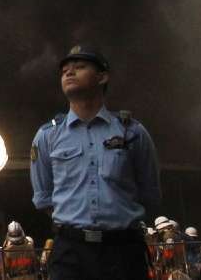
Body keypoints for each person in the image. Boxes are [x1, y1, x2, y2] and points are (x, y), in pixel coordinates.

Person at [29, 43, 161, 280]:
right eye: (64, 70)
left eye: (79, 67)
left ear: (102, 77)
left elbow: (149, 192)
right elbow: (45, 198)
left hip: (123, 251)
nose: (69, 73)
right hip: (70, 253)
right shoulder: (47, 136)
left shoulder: (133, 133)